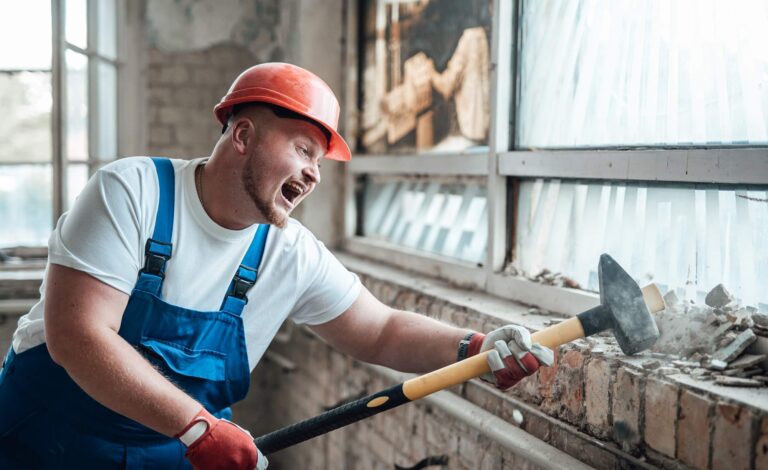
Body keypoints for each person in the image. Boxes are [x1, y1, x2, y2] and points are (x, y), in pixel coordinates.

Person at [0, 62, 553, 469]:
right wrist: (197, 427)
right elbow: (78, 337)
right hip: (45, 438)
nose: (313, 174)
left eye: (319, 161)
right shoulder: (134, 192)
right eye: (304, 150)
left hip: (171, 452)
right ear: (242, 135)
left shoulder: (288, 252)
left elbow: (380, 330)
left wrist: (473, 347)